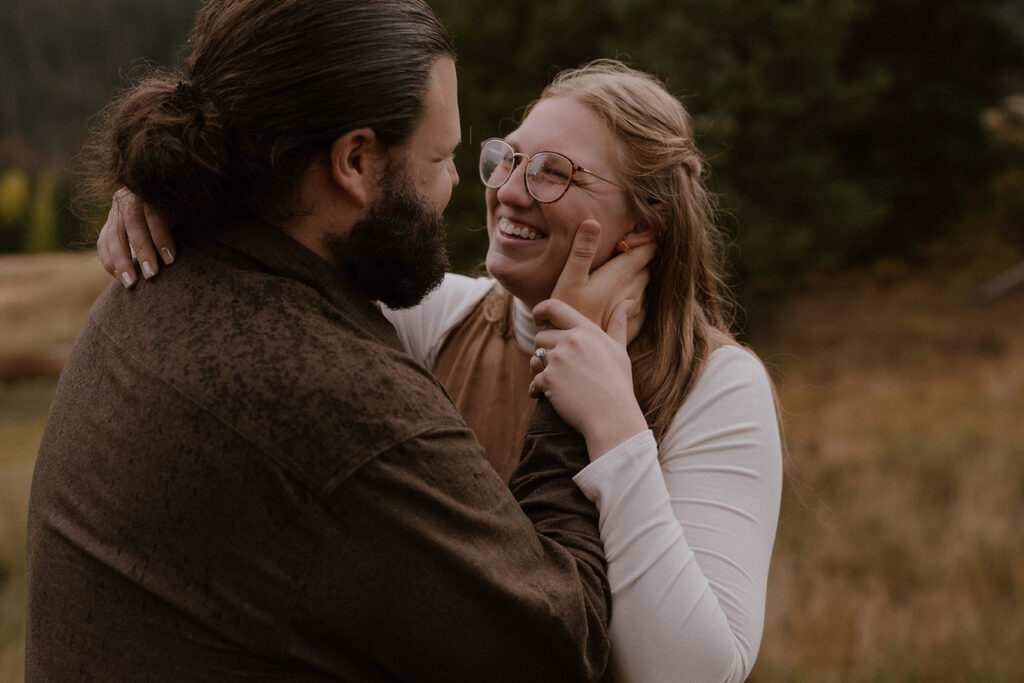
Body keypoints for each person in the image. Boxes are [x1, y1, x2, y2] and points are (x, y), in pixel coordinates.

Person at [100, 60, 784, 682]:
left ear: (643, 225)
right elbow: (275, 260)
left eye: (552, 171)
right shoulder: (434, 318)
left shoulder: (717, 385)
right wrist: (163, 193)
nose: (508, 192)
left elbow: (692, 672)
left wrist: (616, 427)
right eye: (506, 159)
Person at [26, 2, 615, 681]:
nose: (457, 184)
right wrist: (568, 363)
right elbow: (561, 643)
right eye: (440, 157)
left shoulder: (160, 277)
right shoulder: (339, 398)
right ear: (355, 161)